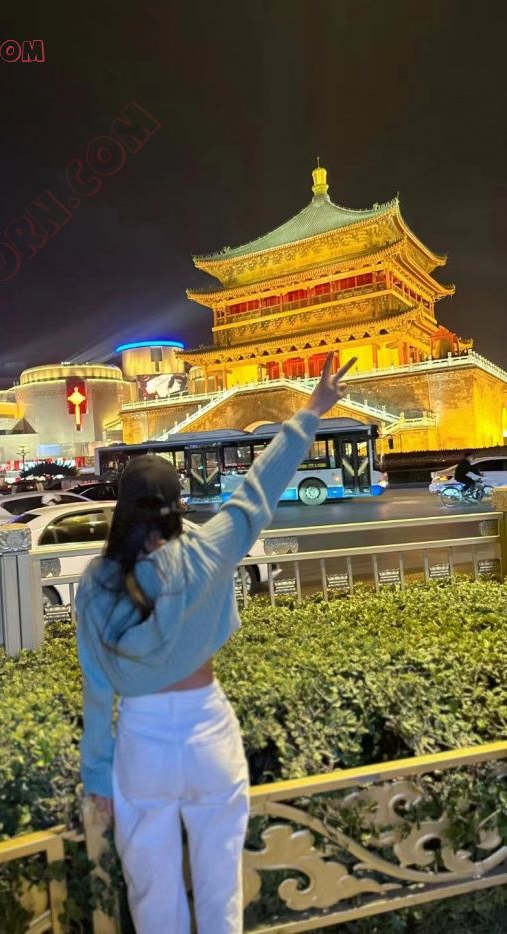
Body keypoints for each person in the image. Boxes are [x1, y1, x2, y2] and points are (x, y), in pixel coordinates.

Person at [75, 353, 356, 934]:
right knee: (220, 886)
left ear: (123, 507)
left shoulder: (98, 583)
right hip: (207, 728)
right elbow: (258, 489)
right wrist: (312, 410)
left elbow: (97, 689)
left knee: (152, 894)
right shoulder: (209, 549)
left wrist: (97, 777)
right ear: (178, 504)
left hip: (142, 742)